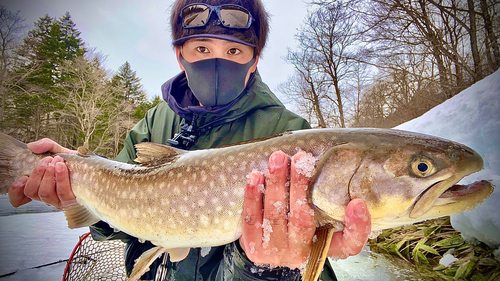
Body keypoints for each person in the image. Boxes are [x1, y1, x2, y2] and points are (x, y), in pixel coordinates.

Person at [8, 0, 372, 280]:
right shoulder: (154, 122)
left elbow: (314, 266)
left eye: (233, 51)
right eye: (201, 49)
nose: (217, 61)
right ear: (179, 55)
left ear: (255, 59)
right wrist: (75, 178)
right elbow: (112, 229)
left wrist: (272, 270)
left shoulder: (292, 134)